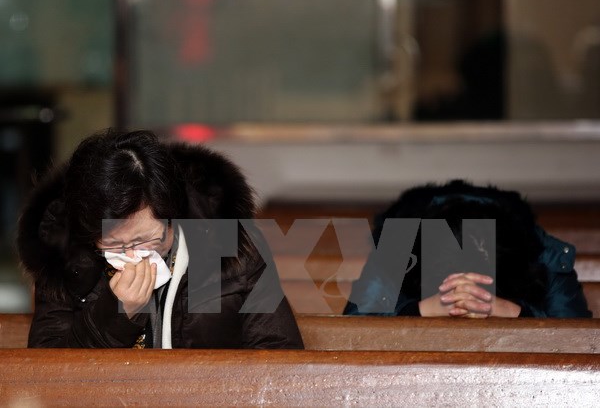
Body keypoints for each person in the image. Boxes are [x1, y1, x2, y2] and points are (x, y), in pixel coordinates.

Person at [18, 129, 304, 348]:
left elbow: (279, 353)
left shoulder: (232, 244)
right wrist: (116, 315)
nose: (132, 255)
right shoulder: (62, 257)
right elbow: (48, 370)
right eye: (114, 245)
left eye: (146, 240)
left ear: (173, 217)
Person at [344, 180, 592, 318]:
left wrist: (509, 311)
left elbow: (577, 337)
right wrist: (424, 309)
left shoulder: (538, 250)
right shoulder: (400, 242)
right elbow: (354, 328)